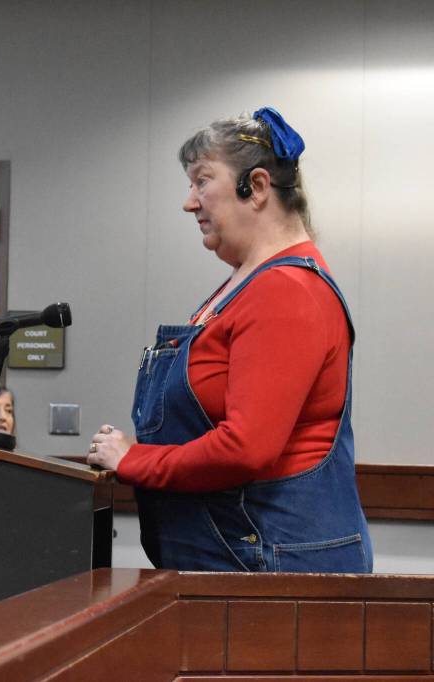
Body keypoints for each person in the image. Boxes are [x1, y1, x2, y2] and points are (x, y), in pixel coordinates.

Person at [86, 107, 372, 573]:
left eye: (202, 181)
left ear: (256, 188)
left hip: (269, 569)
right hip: (236, 558)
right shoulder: (246, 284)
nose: (189, 202)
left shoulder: (285, 290)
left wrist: (135, 459)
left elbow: (246, 448)